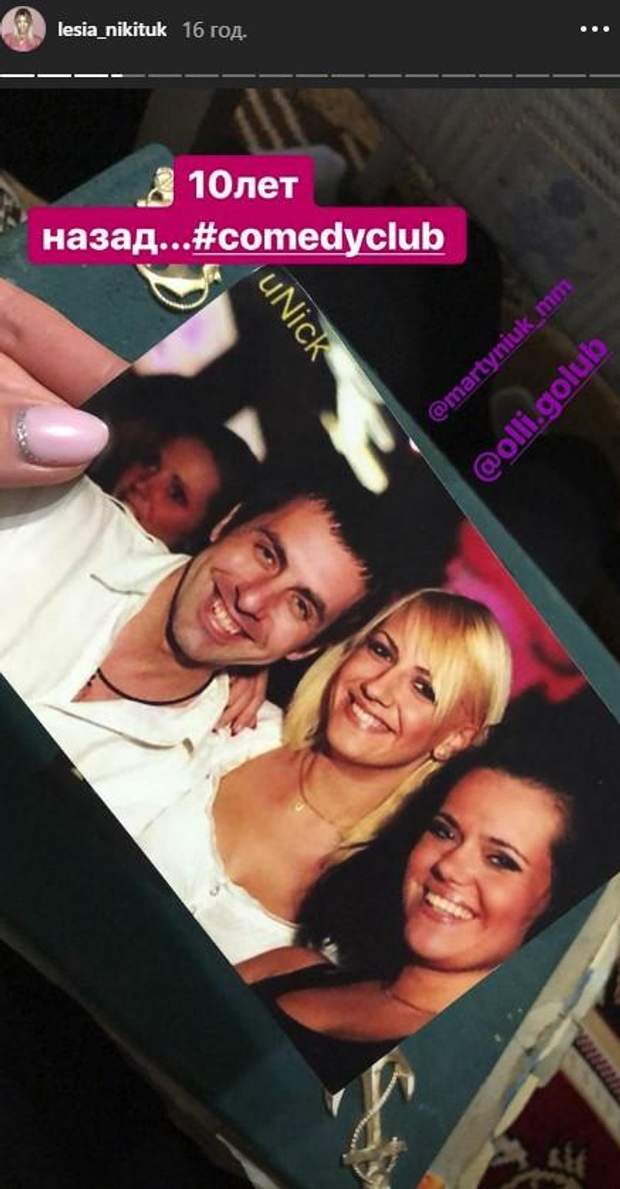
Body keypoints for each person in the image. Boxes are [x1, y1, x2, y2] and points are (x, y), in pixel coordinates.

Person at [130, 590, 511, 963]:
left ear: (454, 739)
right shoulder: (237, 725)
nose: (376, 688)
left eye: (423, 689)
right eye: (381, 651)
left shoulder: (384, 893)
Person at [238, 738, 576, 1089]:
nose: (450, 866)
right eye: (444, 832)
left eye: (500, 860)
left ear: (549, 904)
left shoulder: (447, 1077)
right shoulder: (288, 966)